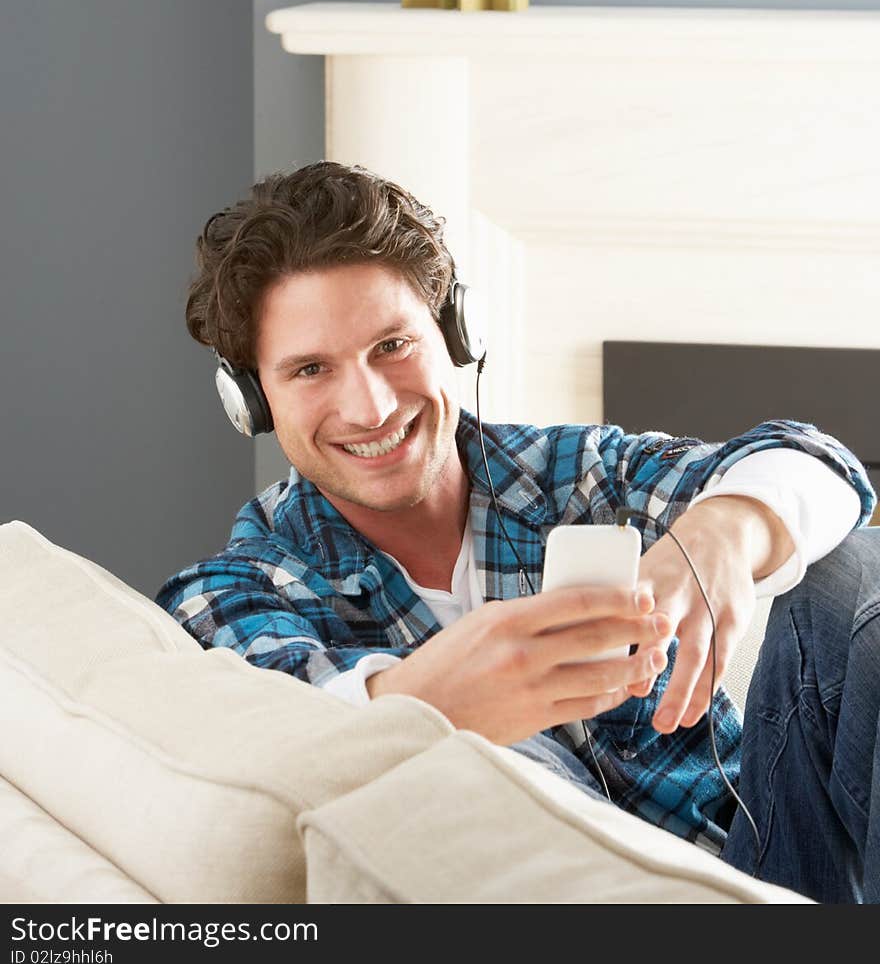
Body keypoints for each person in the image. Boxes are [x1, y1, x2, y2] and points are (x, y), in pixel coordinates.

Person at [156, 161, 880, 903]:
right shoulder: (236, 590)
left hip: (781, 865)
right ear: (254, 400)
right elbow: (277, 748)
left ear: (451, 333)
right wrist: (436, 697)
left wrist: (725, 530)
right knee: (480, 754)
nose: (370, 407)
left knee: (852, 571)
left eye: (392, 347)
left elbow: (819, 465)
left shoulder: (566, 473)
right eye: (311, 369)